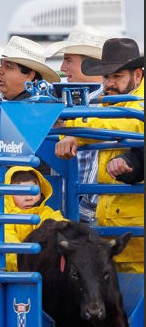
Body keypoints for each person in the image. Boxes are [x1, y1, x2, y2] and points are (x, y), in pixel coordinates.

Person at [54, 38, 144, 273]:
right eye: (106, 77)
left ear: (137, 75)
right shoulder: (110, 103)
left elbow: (126, 122)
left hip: (134, 229)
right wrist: (72, 135)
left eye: (117, 76)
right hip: (115, 225)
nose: (110, 83)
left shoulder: (134, 105)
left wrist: (73, 131)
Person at [47, 25, 110, 224]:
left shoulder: (102, 103)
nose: (63, 68)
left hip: (86, 211)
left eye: (68, 60)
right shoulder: (88, 101)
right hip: (83, 208)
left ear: (90, 64)